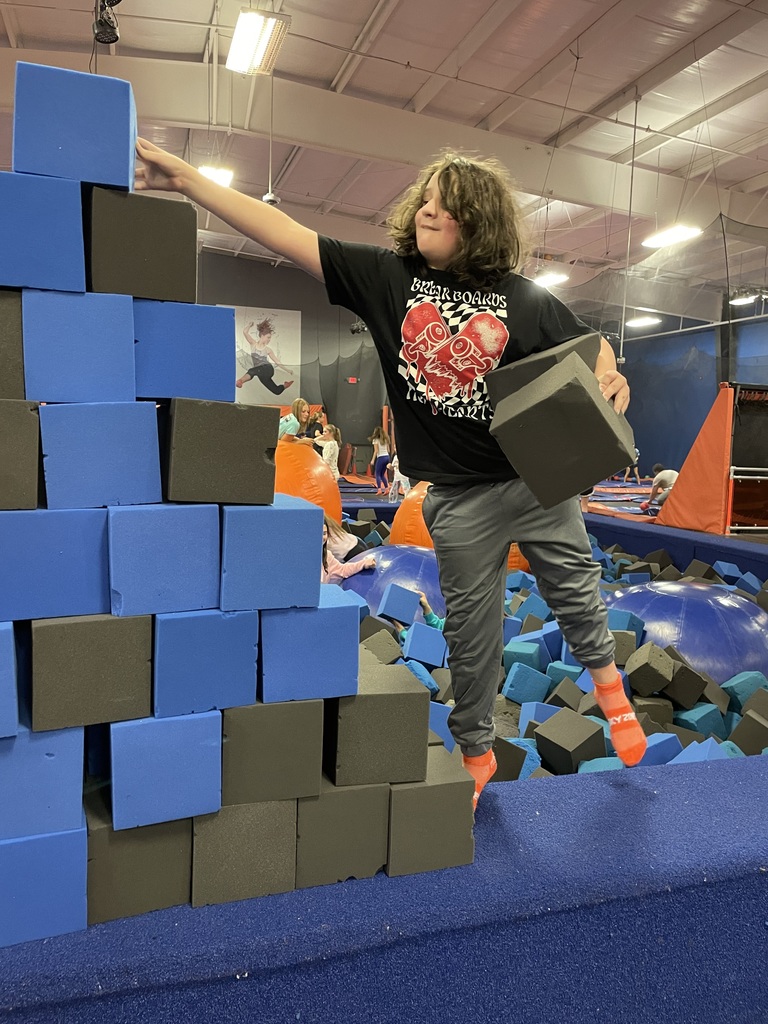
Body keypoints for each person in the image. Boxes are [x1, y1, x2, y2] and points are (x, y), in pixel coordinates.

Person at [135, 139, 646, 809]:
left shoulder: (521, 300)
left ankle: (610, 688)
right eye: (426, 200)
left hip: (530, 484)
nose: (429, 211)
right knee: (471, 636)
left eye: (448, 205)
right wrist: (187, 179)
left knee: (578, 593)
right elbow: (285, 232)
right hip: (459, 500)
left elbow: (587, 337)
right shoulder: (389, 279)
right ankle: (476, 752)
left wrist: (608, 370)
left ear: (479, 221)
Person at [236, 318, 294, 394]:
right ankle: (285, 385)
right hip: (260, 373)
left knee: (252, 371)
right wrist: (249, 325)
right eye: (268, 337)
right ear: (262, 335)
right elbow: (245, 332)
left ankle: (240, 381)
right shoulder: (253, 344)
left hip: (267, 369)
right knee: (276, 391)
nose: (269, 340)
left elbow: (277, 362)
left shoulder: (268, 349)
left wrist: (287, 370)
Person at [321, 516, 375, 584]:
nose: (321, 537)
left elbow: (342, 570)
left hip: (355, 551)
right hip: (355, 541)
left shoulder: (327, 555)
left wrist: (363, 564)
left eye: (324, 533)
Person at [368, 426, 391, 494]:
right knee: (382, 474)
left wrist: (372, 460)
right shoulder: (386, 439)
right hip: (387, 457)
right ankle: (386, 489)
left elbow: (376, 451)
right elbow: (388, 450)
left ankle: (379, 489)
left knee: (377, 474)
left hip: (381, 457)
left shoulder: (375, 440)